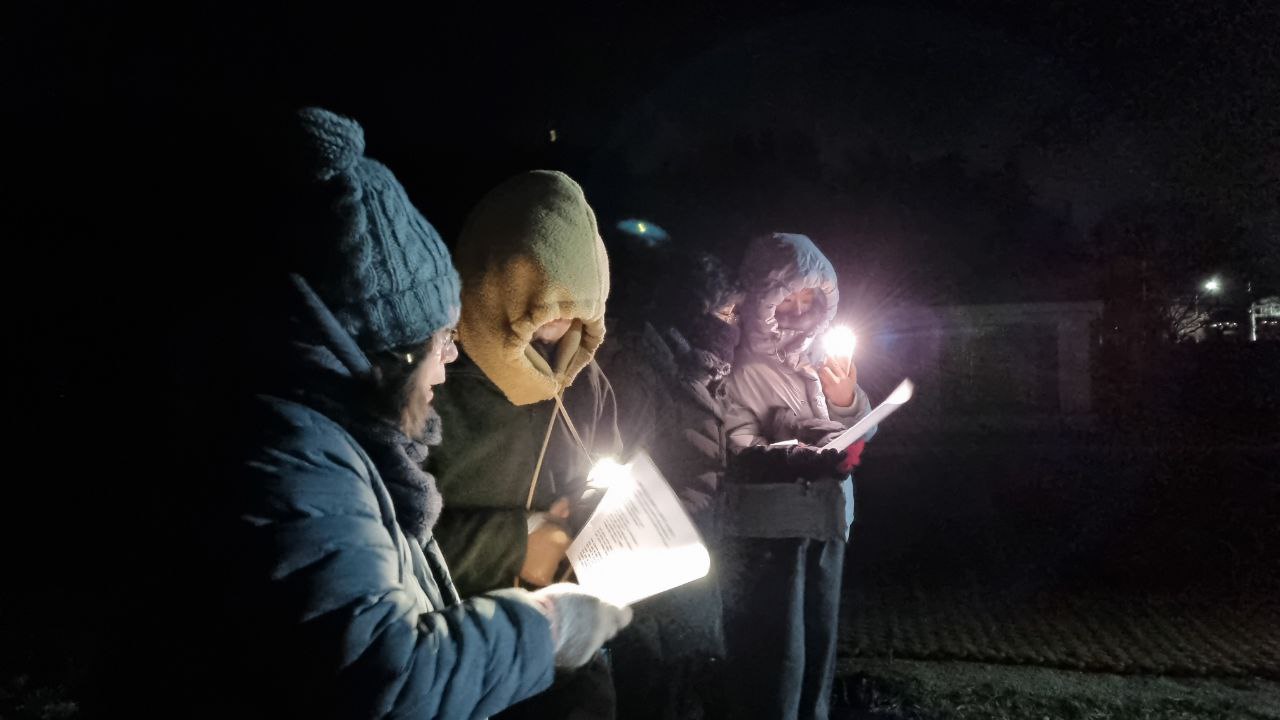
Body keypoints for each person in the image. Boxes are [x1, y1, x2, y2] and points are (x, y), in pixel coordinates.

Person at [202, 109, 630, 719]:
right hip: (478, 661)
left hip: (508, 669)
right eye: (439, 341)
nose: (448, 357)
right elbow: (391, 670)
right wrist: (544, 601)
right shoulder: (311, 452)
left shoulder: (352, 434)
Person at [428, 170, 623, 717]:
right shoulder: (431, 387)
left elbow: (601, 490)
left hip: (571, 665)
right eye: (542, 302)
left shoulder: (587, 384)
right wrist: (530, 537)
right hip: (463, 657)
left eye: (575, 308)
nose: (559, 323)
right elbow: (397, 548)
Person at [720, 232, 874, 720]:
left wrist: (848, 399)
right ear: (762, 297)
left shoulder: (824, 360)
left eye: (812, 296)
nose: (801, 306)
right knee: (775, 660)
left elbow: (859, 432)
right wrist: (790, 451)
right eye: (788, 294)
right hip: (769, 531)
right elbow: (735, 440)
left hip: (827, 523)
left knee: (817, 651)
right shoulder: (741, 363)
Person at [594, 247, 744, 720]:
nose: (734, 323)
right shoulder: (644, 369)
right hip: (653, 566)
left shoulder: (702, 369)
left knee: (680, 687)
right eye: (727, 311)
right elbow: (618, 465)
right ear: (696, 311)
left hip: (693, 549)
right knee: (652, 691)